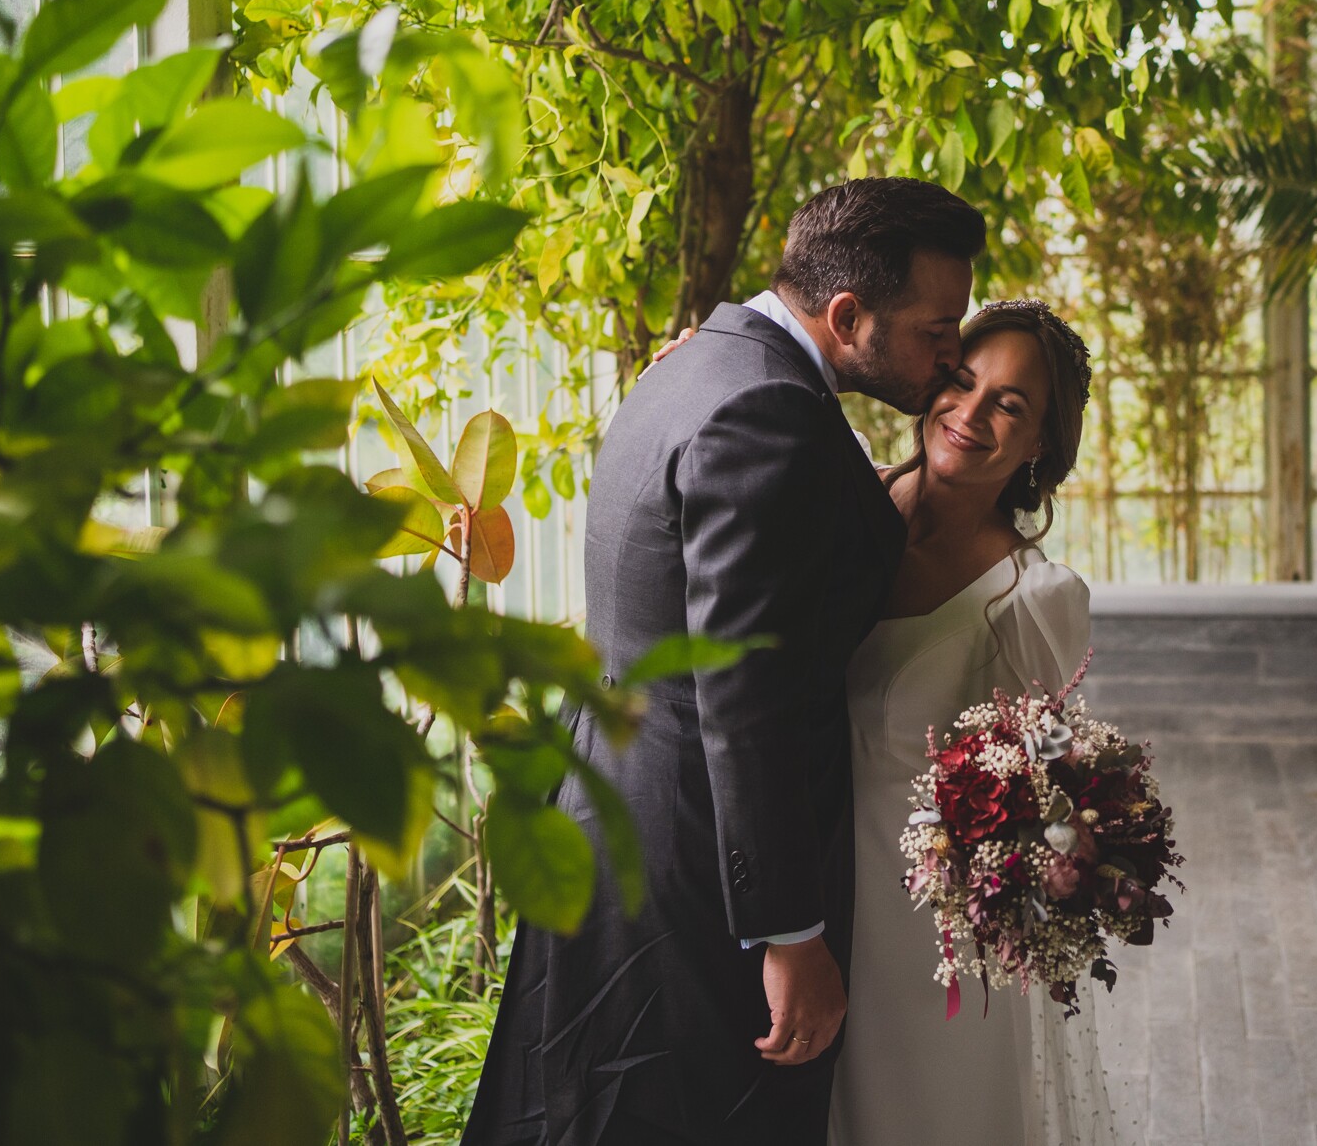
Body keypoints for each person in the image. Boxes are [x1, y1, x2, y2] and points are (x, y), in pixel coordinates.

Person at [462, 177, 982, 1146]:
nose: (948, 354)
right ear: (844, 313)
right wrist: (788, 931)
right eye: (934, 328)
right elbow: (747, 696)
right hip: (695, 867)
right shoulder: (765, 415)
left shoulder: (698, 365)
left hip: (620, 811)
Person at [827, 298, 1123, 1146]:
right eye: (963, 380)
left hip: (930, 958)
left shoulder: (1033, 599)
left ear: (1039, 446)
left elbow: (1056, 778)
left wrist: (1072, 840)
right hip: (802, 912)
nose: (972, 411)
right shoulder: (838, 502)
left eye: (1011, 404)